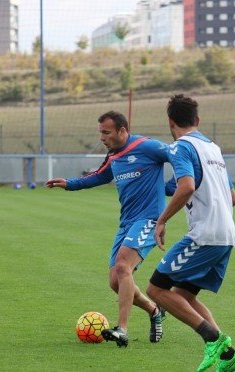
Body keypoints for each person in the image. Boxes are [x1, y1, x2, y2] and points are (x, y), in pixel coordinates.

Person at [46, 111, 168, 348]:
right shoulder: (114, 156)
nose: (102, 137)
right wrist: (69, 184)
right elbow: (99, 176)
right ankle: (154, 310)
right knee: (116, 280)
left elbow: (181, 160)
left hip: (149, 220)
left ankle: (121, 329)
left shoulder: (148, 146)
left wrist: (173, 188)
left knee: (123, 266)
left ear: (123, 130)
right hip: (127, 223)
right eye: (100, 132)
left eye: (106, 132)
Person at [146, 94, 235, 371]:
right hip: (226, 235)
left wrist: (162, 220)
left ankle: (213, 339)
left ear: (170, 122)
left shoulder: (180, 148)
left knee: (156, 288)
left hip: (204, 236)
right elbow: (233, 197)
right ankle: (228, 356)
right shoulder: (213, 148)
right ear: (197, 121)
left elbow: (187, 186)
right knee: (185, 296)